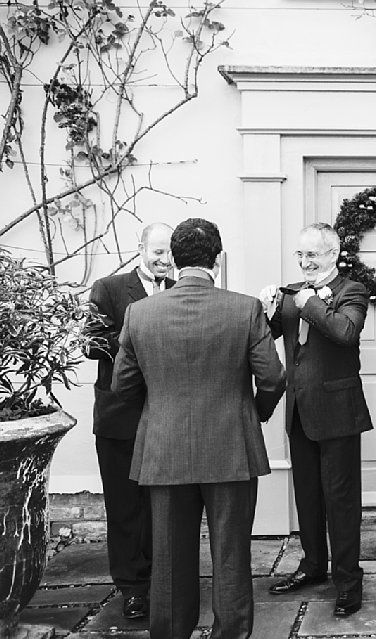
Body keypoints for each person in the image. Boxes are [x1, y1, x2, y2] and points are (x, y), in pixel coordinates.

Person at [113, 218, 286, 639]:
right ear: (217, 259)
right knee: (231, 554)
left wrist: (160, 412)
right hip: (231, 447)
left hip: (165, 448)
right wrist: (254, 413)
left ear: (174, 259)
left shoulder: (140, 313)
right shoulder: (245, 308)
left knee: (170, 558)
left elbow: (122, 386)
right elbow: (273, 378)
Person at [259, 222, 371, 617]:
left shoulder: (352, 290)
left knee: (341, 501)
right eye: (301, 254)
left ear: (333, 254)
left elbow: (345, 332)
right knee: (307, 497)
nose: (305, 261)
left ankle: (348, 581)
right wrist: (268, 310)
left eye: (313, 254)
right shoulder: (292, 294)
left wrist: (310, 303)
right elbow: (269, 335)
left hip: (339, 413)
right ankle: (312, 566)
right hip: (299, 412)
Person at [83, 222, 174, 620]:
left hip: (166, 416)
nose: (164, 259)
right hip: (119, 415)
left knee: (162, 506)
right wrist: (138, 335)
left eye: (169, 252)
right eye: (157, 251)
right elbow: (91, 345)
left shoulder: (179, 291)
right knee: (124, 507)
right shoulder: (109, 288)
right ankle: (132, 588)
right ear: (141, 248)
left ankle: (162, 579)